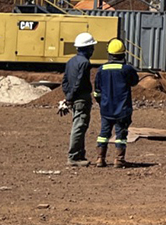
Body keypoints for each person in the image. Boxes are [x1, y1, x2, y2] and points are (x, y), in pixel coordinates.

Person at [94, 39, 139, 168]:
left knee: (103, 134)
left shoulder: (102, 69)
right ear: (123, 54)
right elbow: (134, 82)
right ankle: (119, 160)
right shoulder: (126, 69)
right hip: (122, 108)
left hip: (106, 108)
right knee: (121, 135)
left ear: (109, 54)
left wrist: (101, 103)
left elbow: (97, 91)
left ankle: (100, 159)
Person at [59, 32, 97, 167]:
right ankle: (74, 157)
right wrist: (70, 98)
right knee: (79, 127)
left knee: (79, 125)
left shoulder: (71, 62)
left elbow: (65, 81)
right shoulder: (85, 63)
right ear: (87, 48)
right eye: (92, 47)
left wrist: (67, 96)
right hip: (81, 98)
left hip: (74, 98)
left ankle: (80, 155)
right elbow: (79, 82)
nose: (93, 50)